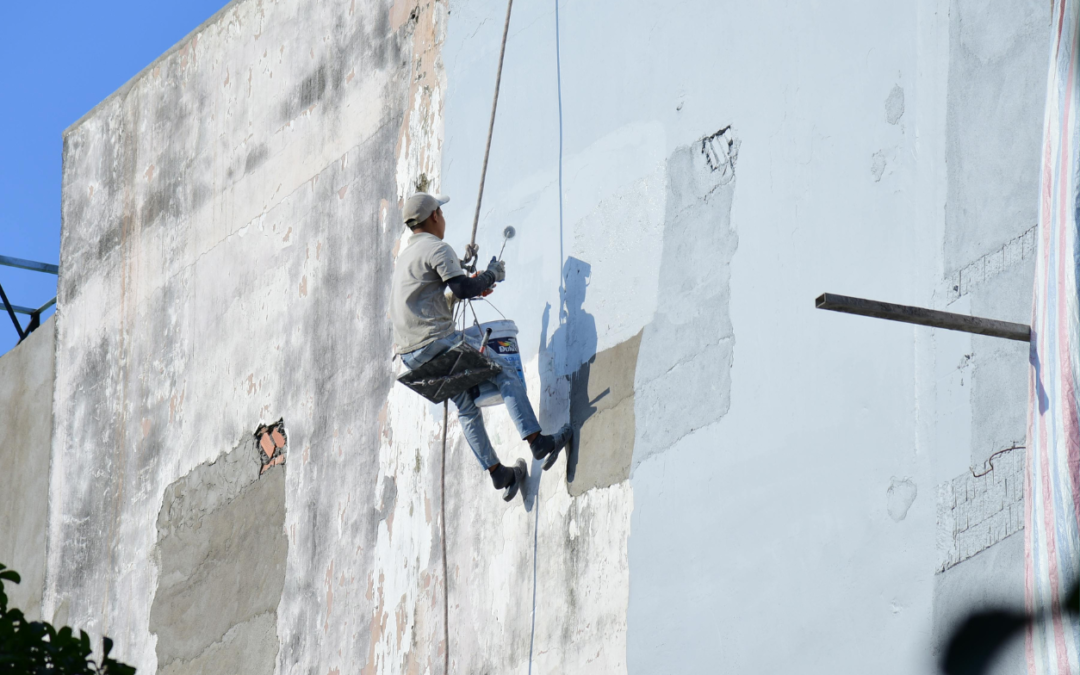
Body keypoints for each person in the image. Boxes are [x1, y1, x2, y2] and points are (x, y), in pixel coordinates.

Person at [390, 192, 572, 502]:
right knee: (503, 372)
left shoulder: (405, 258)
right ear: (434, 216)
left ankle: (500, 474)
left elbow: (430, 300)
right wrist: (491, 275)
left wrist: (472, 286)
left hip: (411, 356)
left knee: (464, 405)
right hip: (435, 342)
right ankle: (538, 442)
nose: (443, 218)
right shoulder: (436, 248)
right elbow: (462, 287)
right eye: (441, 213)